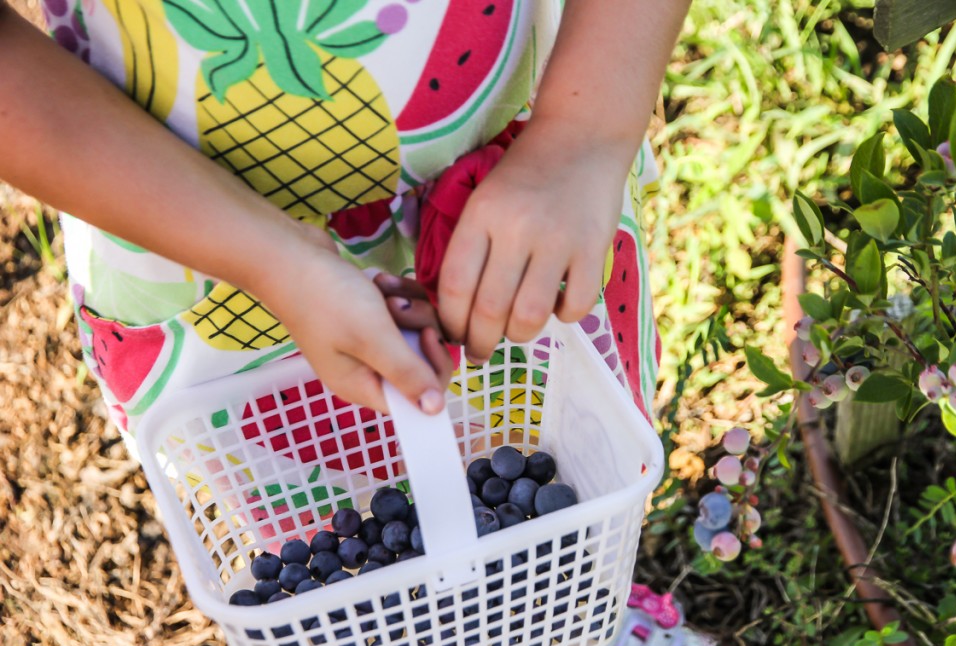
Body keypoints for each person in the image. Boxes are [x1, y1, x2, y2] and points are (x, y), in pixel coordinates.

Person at [0, 0, 691, 440]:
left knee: (566, 461)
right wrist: (271, 260)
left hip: (522, 186)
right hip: (190, 233)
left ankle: (582, 609)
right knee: (327, 556)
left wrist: (584, 129)